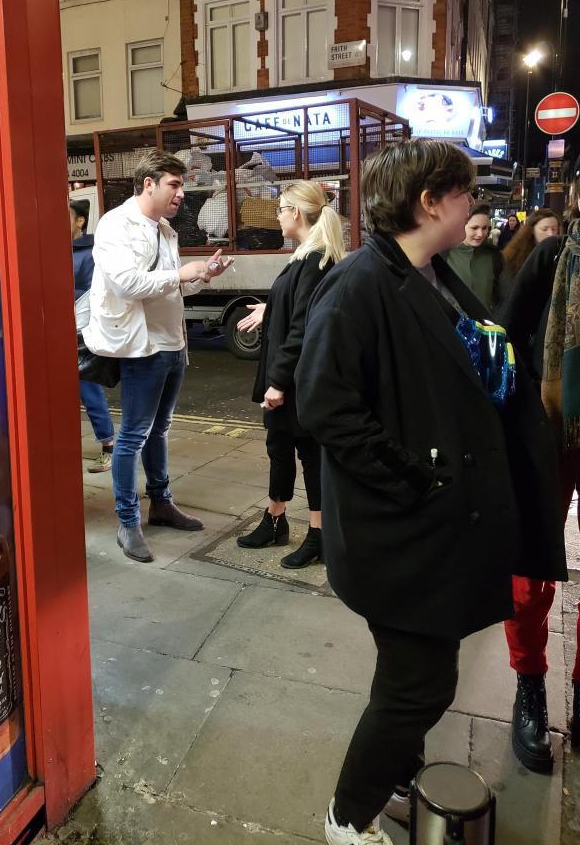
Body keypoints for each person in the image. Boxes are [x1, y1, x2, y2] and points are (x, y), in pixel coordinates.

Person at [295, 139, 566, 845]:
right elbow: (325, 405)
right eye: (467, 193)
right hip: (400, 530)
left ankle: (390, 778)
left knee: (415, 676)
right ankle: (345, 820)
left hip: (436, 526)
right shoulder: (360, 282)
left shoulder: (430, 270)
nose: (475, 205)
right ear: (431, 201)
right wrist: (417, 481)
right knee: (418, 685)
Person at [83, 150, 233, 563]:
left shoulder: (165, 229)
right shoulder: (116, 224)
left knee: (160, 429)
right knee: (132, 434)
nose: (181, 193)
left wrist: (200, 276)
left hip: (172, 343)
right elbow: (128, 283)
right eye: (175, 184)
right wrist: (181, 273)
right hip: (141, 346)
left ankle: (161, 503)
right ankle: (127, 522)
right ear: (148, 184)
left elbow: (173, 287)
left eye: (182, 185)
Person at [500, 187, 580, 772]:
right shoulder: (555, 258)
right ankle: (530, 684)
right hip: (552, 433)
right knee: (530, 569)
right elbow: (506, 338)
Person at [234, 181, 345, 568]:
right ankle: (275, 518)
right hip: (287, 376)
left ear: (296, 212)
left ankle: (319, 534)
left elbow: (302, 329)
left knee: (310, 455)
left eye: (281, 208)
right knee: (279, 448)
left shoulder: (316, 259)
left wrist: (278, 382)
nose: (277, 215)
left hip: (296, 381)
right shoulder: (305, 256)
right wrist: (270, 308)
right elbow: (298, 306)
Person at [71, 198, 114, 473]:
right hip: (56, 328)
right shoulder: (55, 249)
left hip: (81, 330)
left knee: (88, 386)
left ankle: (108, 445)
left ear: (80, 221)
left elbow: (92, 292)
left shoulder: (89, 253)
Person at [443, 203, 503, 311]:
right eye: (474, 228)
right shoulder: (443, 253)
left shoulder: (493, 255)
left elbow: (500, 295)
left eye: (484, 228)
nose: (480, 234)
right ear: (460, 225)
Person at [501, 208, 560, 287]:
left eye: (554, 229)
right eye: (544, 229)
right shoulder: (516, 257)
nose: (551, 234)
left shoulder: (561, 254)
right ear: (532, 230)